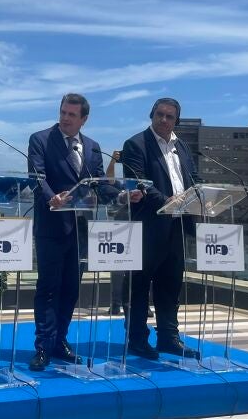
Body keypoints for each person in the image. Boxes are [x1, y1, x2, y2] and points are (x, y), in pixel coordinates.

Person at [27, 93, 105, 371]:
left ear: (84, 119)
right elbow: (36, 178)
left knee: (71, 288)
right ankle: (43, 346)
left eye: (72, 115)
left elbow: (99, 184)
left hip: (80, 229)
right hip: (51, 226)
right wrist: (52, 198)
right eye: (63, 112)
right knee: (49, 288)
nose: (65, 118)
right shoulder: (41, 140)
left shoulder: (93, 147)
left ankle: (60, 341)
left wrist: (123, 195)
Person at [121, 97, 202, 360]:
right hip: (148, 226)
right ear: (151, 115)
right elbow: (139, 182)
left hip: (178, 225)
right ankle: (137, 339)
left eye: (169, 116)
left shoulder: (182, 147)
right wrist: (168, 201)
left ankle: (168, 338)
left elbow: (193, 178)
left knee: (170, 284)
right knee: (139, 285)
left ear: (176, 120)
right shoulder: (136, 144)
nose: (163, 120)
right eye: (159, 114)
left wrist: (201, 194)